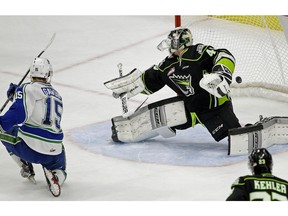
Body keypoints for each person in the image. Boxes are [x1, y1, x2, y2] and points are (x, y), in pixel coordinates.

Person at [105, 27, 241, 142]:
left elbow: (224, 55)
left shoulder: (198, 52)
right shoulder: (167, 64)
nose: (169, 45)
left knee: (235, 135)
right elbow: (149, 81)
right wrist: (130, 86)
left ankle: (245, 133)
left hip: (215, 108)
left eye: (171, 41)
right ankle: (128, 129)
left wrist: (221, 74)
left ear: (179, 42)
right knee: (162, 113)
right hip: (189, 109)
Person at [0, 57, 66, 197]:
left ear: (31, 74)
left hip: (30, 149)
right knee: (59, 155)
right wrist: (16, 96)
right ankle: (57, 176)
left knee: (3, 130)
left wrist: (2, 121)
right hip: (54, 153)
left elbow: (18, 114)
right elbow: (39, 109)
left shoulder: (27, 88)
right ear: (48, 74)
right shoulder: (57, 95)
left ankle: (26, 166)